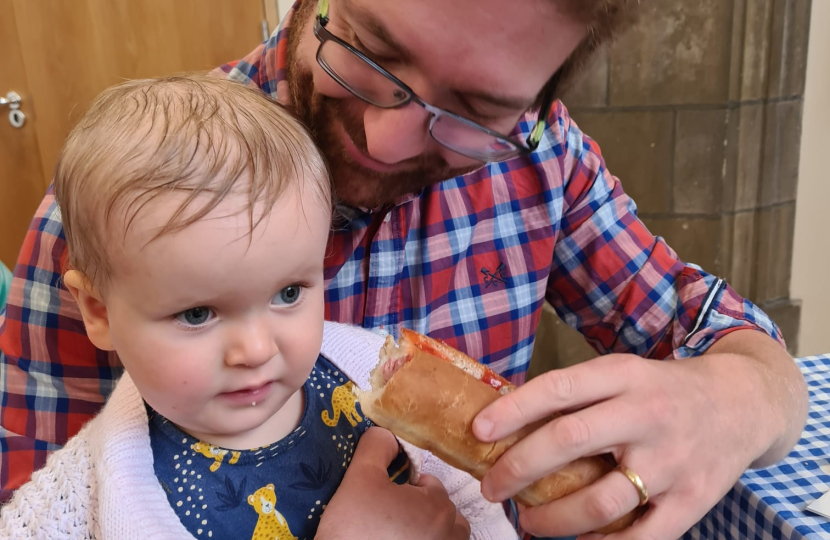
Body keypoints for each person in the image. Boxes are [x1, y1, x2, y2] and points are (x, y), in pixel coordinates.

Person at [0, 0, 809, 538]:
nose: (384, 143)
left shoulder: (543, 162)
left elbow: (713, 329)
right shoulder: (123, 217)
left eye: (475, 112)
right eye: (370, 49)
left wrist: (736, 395)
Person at [0, 75, 510, 540]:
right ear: (100, 313)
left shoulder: (374, 373)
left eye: (288, 294)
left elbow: (474, 499)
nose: (256, 349)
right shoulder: (79, 499)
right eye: (197, 313)